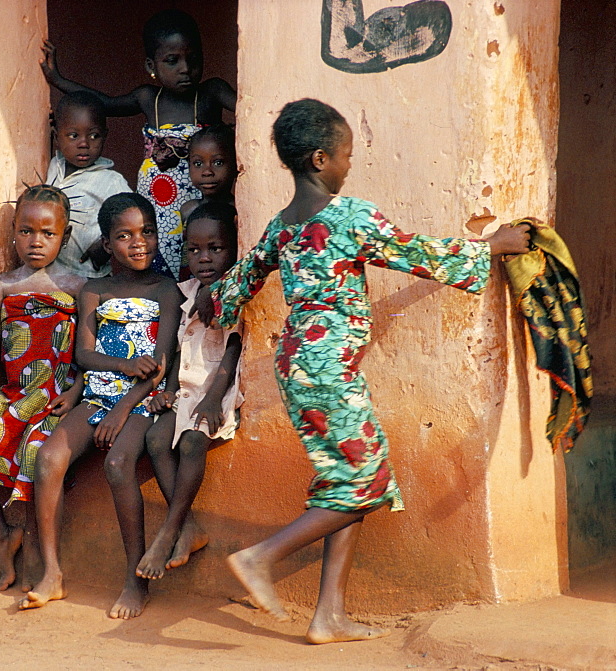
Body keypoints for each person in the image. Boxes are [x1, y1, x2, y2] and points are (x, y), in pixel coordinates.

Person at [193, 98, 532, 644]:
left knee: (346, 479)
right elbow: (410, 251)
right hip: (325, 366)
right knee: (362, 480)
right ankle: (262, 556)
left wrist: (216, 297)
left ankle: (328, 614)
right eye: (347, 155)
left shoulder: (283, 225)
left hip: (302, 362)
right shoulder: (350, 216)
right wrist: (490, 247)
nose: (351, 165)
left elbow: (246, 273)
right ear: (322, 159)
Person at [20, 193, 181, 619]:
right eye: (125, 236)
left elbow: (160, 364)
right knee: (50, 458)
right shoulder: (94, 289)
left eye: (147, 232)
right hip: (96, 394)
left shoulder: (165, 289)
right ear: (107, 245)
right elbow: (83, 356)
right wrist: (124, 366)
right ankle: (51, 573)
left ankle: (135, 580)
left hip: (142, 400)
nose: (139, 242)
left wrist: (123, 408)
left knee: (117, 465)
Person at [0, 184, 85, 592]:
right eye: (25, 231)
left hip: (58, 400)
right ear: (13, 233)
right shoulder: (3, 287)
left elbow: (86, 353)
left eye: (48, 233)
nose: (36, 242)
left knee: (39, 453)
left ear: (66, 235)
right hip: (17, 397)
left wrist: (75, 393)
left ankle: (46, 566)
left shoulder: (76, 287)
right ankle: (1, 537)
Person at [40, 9, 236, 279]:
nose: (185, 69)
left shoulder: (211, 93)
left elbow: (249, 110)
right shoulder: (148, 98)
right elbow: (105, 103)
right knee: (155, 263)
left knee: (195, 261)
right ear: (151, 67)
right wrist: (58, 80)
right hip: (154, 205)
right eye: (172, 60)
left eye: (193, 59)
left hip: (197, 202)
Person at [137, 202, 243, 580]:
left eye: (216, 249)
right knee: (155, 438)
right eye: (194, 250)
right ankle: (189, 526)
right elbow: (178, 349)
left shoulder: (235, 292)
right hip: (184, 388)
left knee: (191, 443)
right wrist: (166, 389)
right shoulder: (184, 292)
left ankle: (168, 532)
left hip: (216, 388)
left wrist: (213, 399)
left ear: (233, 249)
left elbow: (233, 348)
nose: (205, 258)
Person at [46, 91, 131, 277]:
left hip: (89, 277)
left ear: (105, 136)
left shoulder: (110, 181)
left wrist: (106, 244)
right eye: (73, 135)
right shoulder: (53, 166)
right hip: (51, 274)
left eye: (94, 136)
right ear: (56, 136)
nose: (84, 143)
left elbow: (133, 216)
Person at [179, 125, 237, 224]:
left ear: (236, 165)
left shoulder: (240, 210)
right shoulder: (188, 210)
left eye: (218, 163)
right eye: (198, 164)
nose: (207, 172)